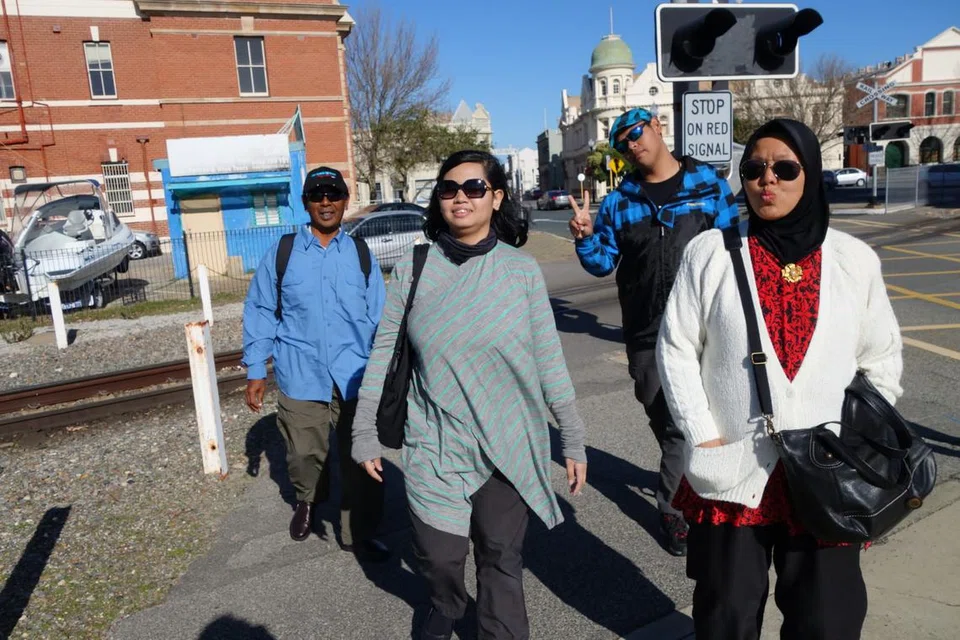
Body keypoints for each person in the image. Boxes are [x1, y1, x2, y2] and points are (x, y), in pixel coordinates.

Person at [656, 118, 903, 639]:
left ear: (810, 174)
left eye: (784, 168)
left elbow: (882, 359)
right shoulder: (711, 253)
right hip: (733, 470)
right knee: (725, 619)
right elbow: (676, 349)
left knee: (827, 621)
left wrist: (854, 440)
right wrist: (702, 433)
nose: (767, 180)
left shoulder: (853, 260)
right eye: (754, 169)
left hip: (825, 472)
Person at [352, 150, 588, 640]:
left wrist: (572, 438)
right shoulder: (414, 269)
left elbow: (549, 361)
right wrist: (364, 433)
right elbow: (382, 356)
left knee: (501, 557)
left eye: (474, 188)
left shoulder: (520, 271)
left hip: (508, 441)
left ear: (497, 197)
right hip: (434, 441)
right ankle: (445, 601)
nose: (460, 197)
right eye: (449, 188)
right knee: (439, 557)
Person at [568, 106, 738, 556]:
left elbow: (734, 251)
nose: (632, 144)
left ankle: (675, 508)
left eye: (637, 133)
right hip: (648, 335)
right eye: (623, 141)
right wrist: (586, 236)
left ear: (658, 126)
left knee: (702, 421)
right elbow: (603, 264)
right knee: (670, 425)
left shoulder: (708, 185)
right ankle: (683, 493)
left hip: (706, 327)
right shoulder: (619, 202)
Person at [242, 166, 391, 562]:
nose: (326, 202)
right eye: (317, 195)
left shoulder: (361, 255)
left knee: (361, 457)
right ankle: (307, 500)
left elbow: (380, 318)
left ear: (345, 201)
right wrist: (256, 369)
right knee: (304, 454)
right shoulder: (283, 252)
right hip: (300, 373)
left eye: (333, 194)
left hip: (355, 376)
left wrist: (388, 371)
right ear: (305, 203)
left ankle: (357, 532)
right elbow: (260, 312)